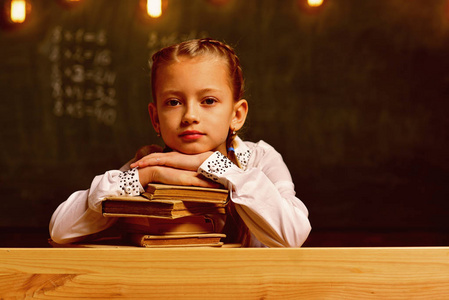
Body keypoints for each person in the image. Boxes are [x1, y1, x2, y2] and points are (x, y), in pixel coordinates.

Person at [49, 38, 311, 247]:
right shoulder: (150, 162)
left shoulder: (260, 159)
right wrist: (148, 174)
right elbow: (61, 230)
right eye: (173, 102)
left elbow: (293, 235)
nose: (190, 116)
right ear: (155, 119)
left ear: (237, 114)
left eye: (208, 101)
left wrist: (213, 164)